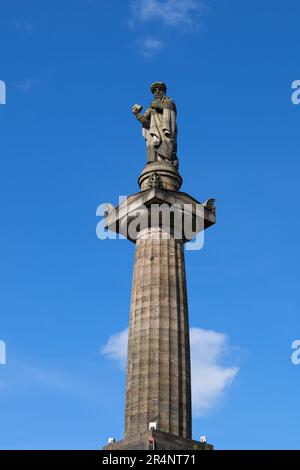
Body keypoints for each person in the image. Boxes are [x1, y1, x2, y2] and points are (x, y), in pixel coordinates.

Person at [132, 82, 178, 166]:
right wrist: (137, 114)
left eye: (160, 89)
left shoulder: (169, 102)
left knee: (166, 153)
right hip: (153, 134)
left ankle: (166, 160)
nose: (157, 92)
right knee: (153, 148)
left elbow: (170, 109)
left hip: (164, 133)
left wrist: (156, 105)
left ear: (164, 91)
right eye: (155, 90)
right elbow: (146, 122)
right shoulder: (151, 107)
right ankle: (153, 161)